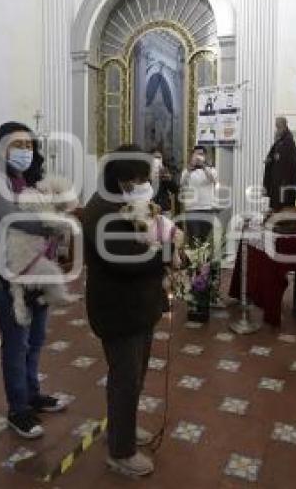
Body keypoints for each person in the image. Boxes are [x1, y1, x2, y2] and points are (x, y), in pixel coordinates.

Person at [82, 144, 183, 478]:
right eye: (138, 177)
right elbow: (127, 261)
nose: (144, 183)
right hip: (118, 309)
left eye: (145, 177)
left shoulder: (125, 202)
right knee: (125, 379)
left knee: (134, 376)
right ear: (120, 177)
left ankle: (123, 427)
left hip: (140, 306)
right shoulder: (101, 210)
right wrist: (167, 251)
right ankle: (120, 452)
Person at [0, 122, 70, 439]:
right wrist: (57, 224)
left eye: (29, 146)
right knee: (16, 343)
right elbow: (15, 218)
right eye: (17, 145)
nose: (24, 152)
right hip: (5, 271)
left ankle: (32, 394)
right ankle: (18, 409)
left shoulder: (29, 181)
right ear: (0, 147)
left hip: (36, 269)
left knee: (36, 339)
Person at [263, 117, 296, 212]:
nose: (277, 130)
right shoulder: (281, 140)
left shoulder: (288, 142)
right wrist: (270, 159)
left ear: (284, 126)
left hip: (284, 184)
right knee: (277, 208)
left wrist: (275, 158)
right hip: (278, 183)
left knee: (283, 209)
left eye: (278, 127)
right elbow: (275, 156)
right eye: (276, 127)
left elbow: (289, 164)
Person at [180, 146, 218, 243]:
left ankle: (204, 258)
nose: (198, 157)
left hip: (207, 208)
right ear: (192, 156)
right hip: (192, 209)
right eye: (196, 154)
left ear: (205, 156)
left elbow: (212, 179)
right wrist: (190, 169)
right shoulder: (187, 171)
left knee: (205, 240)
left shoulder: (211, 169)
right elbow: (182, 184)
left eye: (201, 154)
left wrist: (204, 166)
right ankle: (194, 258)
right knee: (194, 239)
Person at [150, 148, 178, 216]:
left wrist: (169, 179)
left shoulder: (166, 170)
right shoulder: (146, 171)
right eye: (155, 157)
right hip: (151, 208)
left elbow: (175, 189)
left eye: (159, 157)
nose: (157, 160)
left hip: (164, 208)